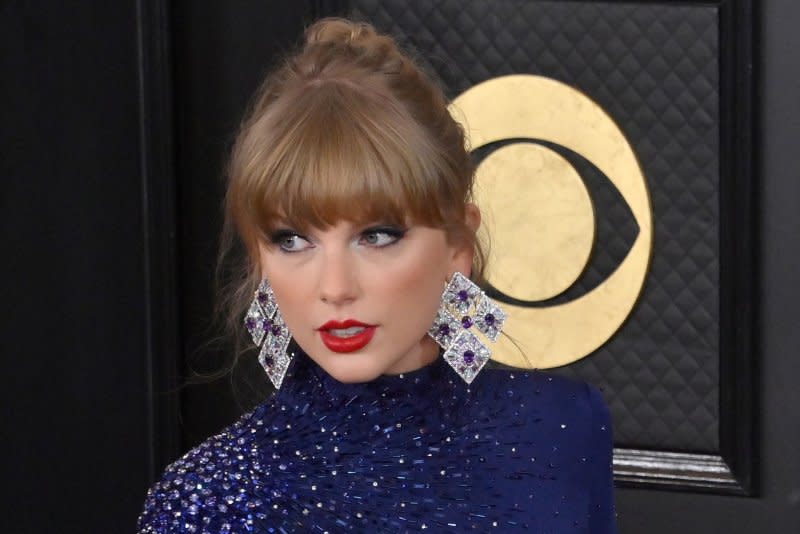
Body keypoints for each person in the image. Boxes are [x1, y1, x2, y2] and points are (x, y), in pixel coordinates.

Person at [137, 18, 617, 533]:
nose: (336, 287)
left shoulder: (564, 429)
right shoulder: (207, 500)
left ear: (458, 244)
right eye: (293, 239)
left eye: (378, 235)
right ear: (260, 257)